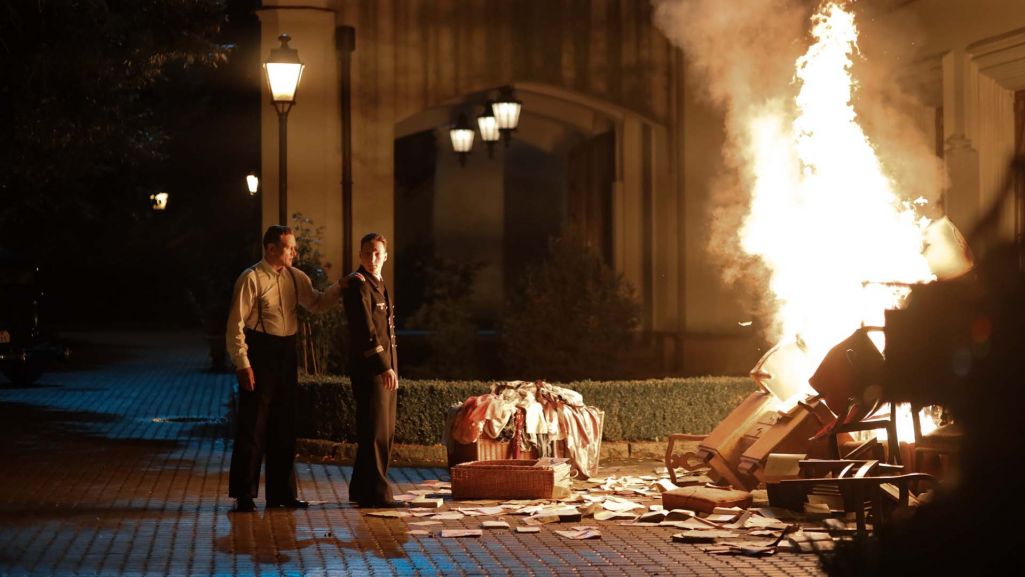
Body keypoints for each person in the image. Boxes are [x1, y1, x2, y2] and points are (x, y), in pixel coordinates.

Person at [226, 225, 342, 512]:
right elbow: (235, 324)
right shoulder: (251, 278)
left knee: (285, 424)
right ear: (271, 248)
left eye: (294, 247)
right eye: (289, 247)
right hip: (261, 350)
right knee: (254, 424)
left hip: (287, 351)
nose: (294, 252)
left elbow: (316, 302)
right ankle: (244, 494)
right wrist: (242, 363)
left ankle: (282, 493)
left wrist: (341, 287)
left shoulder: (295, 277)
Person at [342, 233, 401, 507]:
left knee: (380, 430)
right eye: (367, 253)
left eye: (377, 253)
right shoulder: (358, 284)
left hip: (385, 367)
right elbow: (366, 331)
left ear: (385, 256)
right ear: (360, 255)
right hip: (371, 370)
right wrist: (384, 367)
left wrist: (392, 367)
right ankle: (378, 493)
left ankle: (360, 489)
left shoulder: (378, 282)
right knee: (376, 432)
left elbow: (386, 330)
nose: (372, 258)